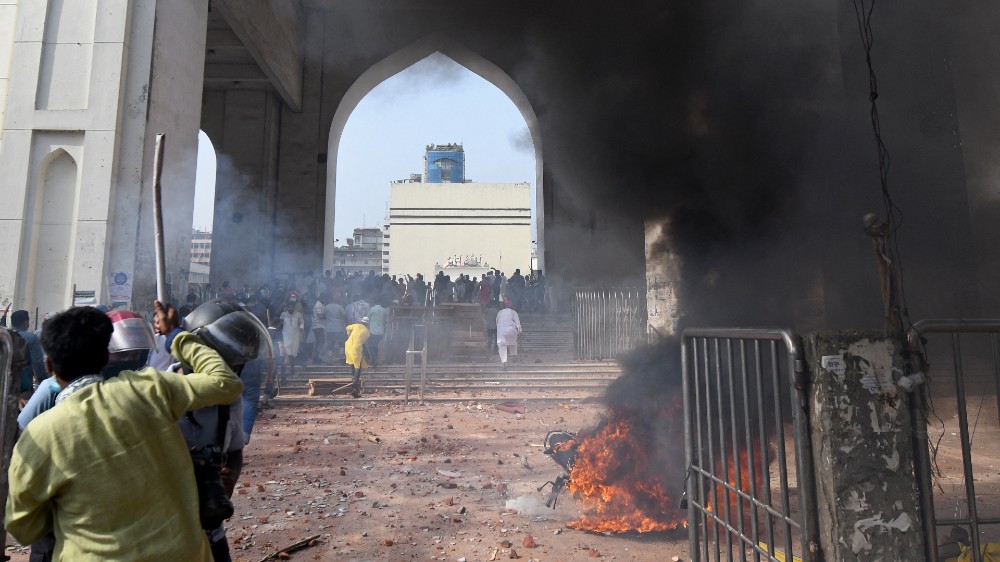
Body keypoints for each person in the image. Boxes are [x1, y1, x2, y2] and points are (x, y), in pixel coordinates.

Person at [5, 304, 243, 561]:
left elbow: (23, 527)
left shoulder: (40, 434)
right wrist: (176, 336)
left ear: (49, 365)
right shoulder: (148, 388)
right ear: (106, 356)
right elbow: (225, 382)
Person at [10, 309, 46, 393]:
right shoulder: (31, 338)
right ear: (26, 322)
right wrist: (42, 380)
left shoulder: (5, 336)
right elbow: (38, 363)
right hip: (23, 386)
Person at [278, 301, 304, 384]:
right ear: (287, 307)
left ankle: (292, 370)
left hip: (295, 337)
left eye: (292, 307)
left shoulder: (298, 314)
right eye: (289, 307)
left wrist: (301, 329)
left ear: (294, 307)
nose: (291, 308)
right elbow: (280, 324)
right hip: (285, 337)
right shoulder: (283, 314)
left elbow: (302, 322)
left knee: (293, 354)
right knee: (285, 355)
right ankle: (283, 376)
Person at [345, 317, 370, 398]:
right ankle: (355, 389)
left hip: (348, 347)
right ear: (367, 324)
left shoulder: (356, 325)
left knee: (352, 365)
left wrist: (349, 335)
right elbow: (363, 344)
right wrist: (368, 355)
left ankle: (355, 382)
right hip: (356, 349)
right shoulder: (367, 332)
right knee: (357, 369)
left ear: (361, 322)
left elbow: (347, 327)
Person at [496, 298, 522, 368]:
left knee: (502, 346)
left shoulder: (499, 312)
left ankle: (504, 362)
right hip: (512, 330)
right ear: (511, 305)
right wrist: (520, 331)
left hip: (501, 331)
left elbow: (497, 322)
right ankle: (514, 356)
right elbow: (518, 323)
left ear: (502, 305)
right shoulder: (513, 312)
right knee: (514, 342)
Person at [365, 300, 388, 368]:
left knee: (371, 346)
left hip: (372, 331)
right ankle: (375, 359)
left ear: (374, 303)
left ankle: (374, 360)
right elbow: (386, 321)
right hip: (381, 332)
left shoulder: (372, 309)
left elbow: (367, 318)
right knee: (375, 345)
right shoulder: (384, 310)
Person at [310, 295, 326, 364]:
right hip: (318, 326)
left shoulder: (321, 304)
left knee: (320, 342)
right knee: (319, 342)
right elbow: (320, 316)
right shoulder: (318, 305)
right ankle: (316, 358)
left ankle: (317, 358)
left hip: (319, 326)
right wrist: (326, 316)